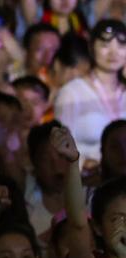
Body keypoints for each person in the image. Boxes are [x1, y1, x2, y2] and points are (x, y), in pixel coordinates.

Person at [54, 20, 126, 167]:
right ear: (92, 47)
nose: (113, 52)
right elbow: (60, 147)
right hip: (87, 180)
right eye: (105, 45)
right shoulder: (72, 92)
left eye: (121, 45)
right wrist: (83, 163)